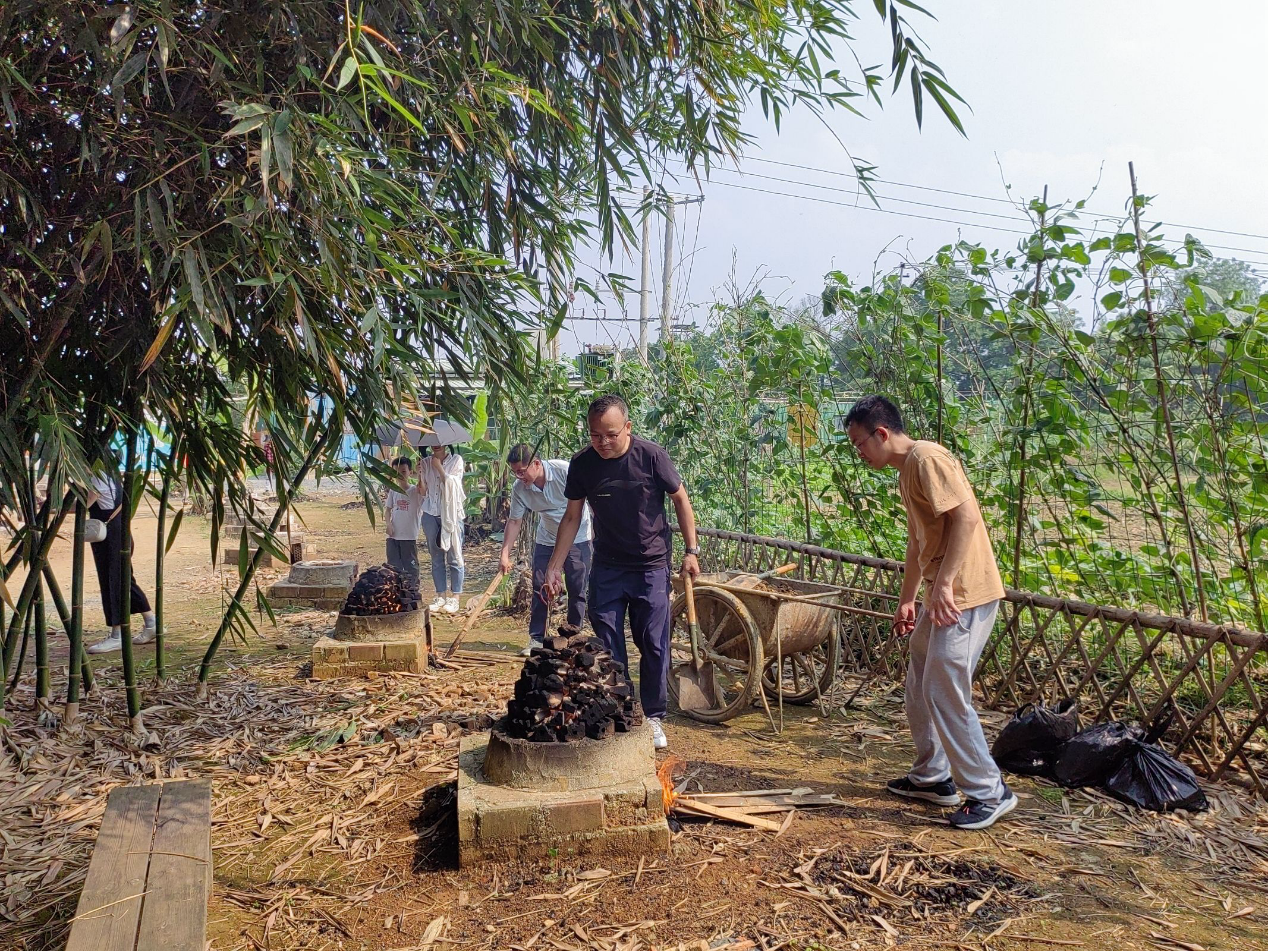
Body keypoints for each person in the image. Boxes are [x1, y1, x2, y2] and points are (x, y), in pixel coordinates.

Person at [845, 394, 1017, 830]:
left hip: (964, 594)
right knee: (920, 678)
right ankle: (932, 777)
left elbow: (967, 518)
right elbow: (917, 541)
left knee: (944, 687)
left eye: (859, 443)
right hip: (941, 594)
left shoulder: (927, 458)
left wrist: (943, 585)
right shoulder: (907, 470)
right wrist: (908, 597)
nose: (859, 453)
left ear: (882, 434)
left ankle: (988, 791)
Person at [545, 395, 701, 750]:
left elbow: (681, 499)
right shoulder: (582, 464)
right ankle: (622, 706)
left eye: (611, 434)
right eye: (595, 435)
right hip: (608, 566)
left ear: (628, 428)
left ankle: (654, 715)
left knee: (654, 643)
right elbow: (572, 516)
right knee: (608, 643)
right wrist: (554, 566)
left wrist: (691, 551)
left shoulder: (651, 457)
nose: (602, 442)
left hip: (650, 566)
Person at [500, 444, 594, 656]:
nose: (519, 477)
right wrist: (505, 554)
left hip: (578, 536)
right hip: (547, 538)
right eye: (515, 472)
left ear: (536, 463)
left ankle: (573, 636)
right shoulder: (519, 488)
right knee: (540, 584)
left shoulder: (564, 471)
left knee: (577, 586)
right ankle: (537, 638)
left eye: (522, 471)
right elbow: (514, 521)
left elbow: (590, 498)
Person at [85, 463, 157, 655]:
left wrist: (56, 506)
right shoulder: (110, 473)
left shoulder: (98, 475)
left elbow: (87, 501)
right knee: (124, 580)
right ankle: (151, 623)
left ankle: (117, 635)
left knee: (113, 582)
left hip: (111, 537)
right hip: (118, 533)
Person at [420, 443, 466, 614]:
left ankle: (455, 597)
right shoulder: (425, 462)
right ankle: (440, 595)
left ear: (447, 442)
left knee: (454, 555)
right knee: (436, 556)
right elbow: (422, 491)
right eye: (433, 441)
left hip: (451, 514)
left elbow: (453, 485)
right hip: (430, 512)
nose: (436, 445)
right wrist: (420, 474)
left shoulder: (456, 460)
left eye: (439, 441)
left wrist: (439, 467)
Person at [384, 457, 425, 584]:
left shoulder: (415, 491)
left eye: (403, 471)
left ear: (410, 472)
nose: (400, 475)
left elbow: (423, 489)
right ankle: (395, 590)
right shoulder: (393, 491)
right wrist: (389, 524)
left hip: (409, 536)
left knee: (411, 567)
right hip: (393, 536)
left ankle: (412, 590)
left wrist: (420, 473)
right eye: (396, 472)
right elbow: (387, 510)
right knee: (393, 567)